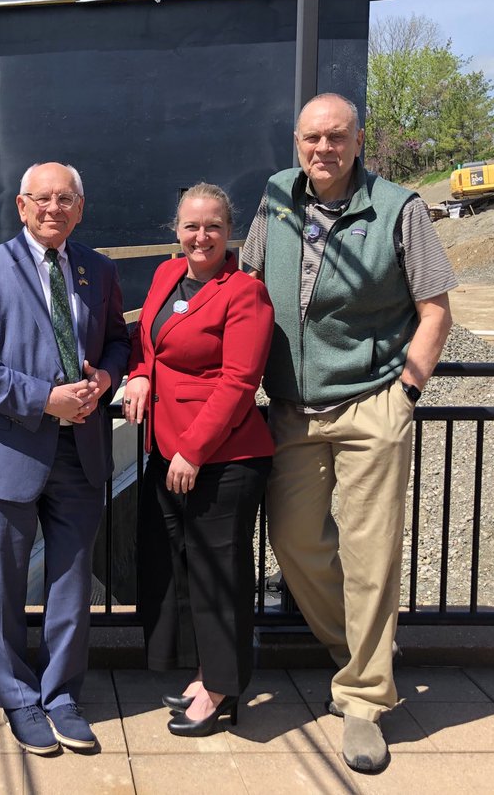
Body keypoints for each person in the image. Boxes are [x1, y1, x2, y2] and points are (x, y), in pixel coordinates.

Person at [242, 93, 455, 773]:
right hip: (291, 405)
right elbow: (247, 282)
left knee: (370, 554)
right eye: (312, 137)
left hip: (371, 402)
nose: (323, 149)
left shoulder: (399, 208)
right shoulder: (276, 195)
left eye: (336, 137)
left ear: (358, 140)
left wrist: (407, 391)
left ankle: (364, 699)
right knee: (296, 538)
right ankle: (359, 647)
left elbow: (435, 309)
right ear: (296, 140)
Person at [0, 162, 130, 755]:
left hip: (81, 449)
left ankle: (61, 695)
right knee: (0, 586)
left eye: (66, 199)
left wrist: (107, 375)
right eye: (42, 199)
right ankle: (17, 698)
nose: (54, 208)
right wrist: (45, 400)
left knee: (72, 583)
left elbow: (119, 340)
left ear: (80, 207)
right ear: (21, 207)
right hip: (7, 449)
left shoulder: (98, 270)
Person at [123, 182, 275, 737]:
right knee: (174, 568)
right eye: (191, 225)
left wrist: (194, 450)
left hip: (223, 457)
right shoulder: (167, 277)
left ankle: (222, 689)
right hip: (165, 450)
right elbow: (147, 343)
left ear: (228, 230)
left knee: (219, 577)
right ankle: (202, 669)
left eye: (212, 226)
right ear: (176, 230)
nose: (201, 236)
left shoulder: (245, 293)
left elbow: (239, 382)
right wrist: (138, 375)